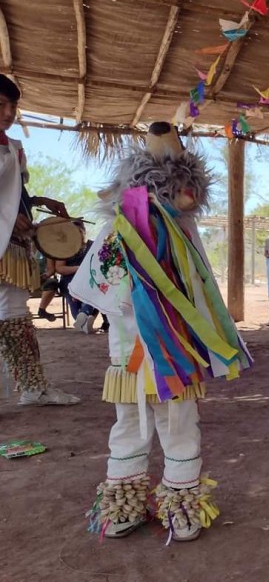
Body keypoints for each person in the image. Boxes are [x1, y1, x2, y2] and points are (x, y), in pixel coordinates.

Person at [73, 122, 251, 541]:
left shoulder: (185, 234)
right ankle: (124, 501)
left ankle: (181, 502)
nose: (181, 196)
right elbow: (97, 285)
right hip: (129, 353)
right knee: (129, 423)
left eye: (185, 189)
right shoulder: (119, 229)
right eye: (172, 187)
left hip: (176, 354)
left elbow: (201, 292)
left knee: (179, 423)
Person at [0, 74, 80, 406]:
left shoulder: (14, 148)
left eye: (13, 105)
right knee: (9, 311)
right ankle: (27, 387)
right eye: (1, 104)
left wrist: (38, 203)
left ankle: (33, 387)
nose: (8, 112)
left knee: (15, 311)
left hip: (13, 244)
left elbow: (15, 194)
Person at [55, 221, 103, 333]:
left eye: (79, 232)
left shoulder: (93, 245)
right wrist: (80, 268)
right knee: (73, 297)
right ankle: (84, 319)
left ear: (84, 232)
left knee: (94, 289)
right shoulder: (64, 248)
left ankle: (82, 317)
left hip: (90, 278)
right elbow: (60, 268)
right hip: (69, 280)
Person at [35, 254, 59, 322]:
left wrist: (42, 277)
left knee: (52, 283)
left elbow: (51, 270)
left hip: (41, 278)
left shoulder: (45, 249)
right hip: (23, 278)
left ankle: (42, 310)